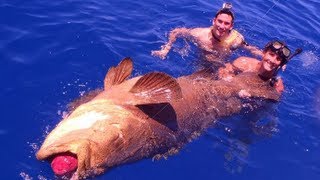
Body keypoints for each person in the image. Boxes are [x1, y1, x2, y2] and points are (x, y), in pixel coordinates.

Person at [151, 3, 262, 66]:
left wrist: (270, 59)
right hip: (202, 60)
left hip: (222, 64)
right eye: (220, 21)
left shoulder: (236, 40)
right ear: (214, 21)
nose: (222, 26)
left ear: (231, 26)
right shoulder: (200, 34)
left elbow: (251, 49)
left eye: (226, 23)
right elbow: (176, 32)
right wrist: (166, 48)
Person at [218, 40, 302, 94]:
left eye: (278, 59)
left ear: (281, 64)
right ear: (263, 53)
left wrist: (252, 93)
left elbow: (273, 100)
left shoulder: (277, 85)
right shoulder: (244, 63)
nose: (272, 60)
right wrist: (227, 78)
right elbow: (224, 69)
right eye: (271, 54)